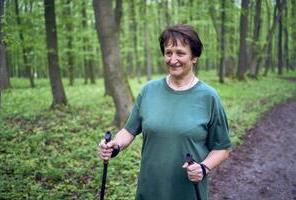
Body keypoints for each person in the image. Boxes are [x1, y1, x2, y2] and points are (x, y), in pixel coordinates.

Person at [98, 24, 232, 200]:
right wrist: (114, 145)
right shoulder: (148, 91)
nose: (173, 59)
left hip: (188, 192)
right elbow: (129, 131)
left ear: (194, 57)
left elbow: (222, 148)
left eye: (180, 53)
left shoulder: (208, 97)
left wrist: (203, 168)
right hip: (149, 189)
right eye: (168, 53)